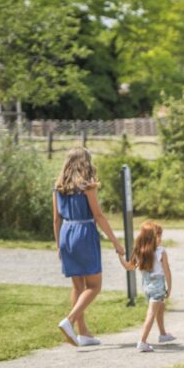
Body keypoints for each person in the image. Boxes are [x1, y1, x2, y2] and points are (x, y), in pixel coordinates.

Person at [52, 147, 125, 347]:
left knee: (78, 286)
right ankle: (70, 320)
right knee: (94, 286)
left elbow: (56, 219)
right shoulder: (87, 186)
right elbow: (99, 216)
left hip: (66, 233)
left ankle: (83, 333)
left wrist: (59, 244)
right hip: (84, 233)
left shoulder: (58, 186)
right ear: (85, 163)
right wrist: (116, 243)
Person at [118, 220, 175, 352]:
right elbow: (167, 271)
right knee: (151, 313)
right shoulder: (161, 251)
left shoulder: (139, 252)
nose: (161, 239)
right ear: (152, 238)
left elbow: (129, 267)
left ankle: (163, 334)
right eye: (159, 236)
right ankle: (142, 341)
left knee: (160, 306)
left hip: (147, 286)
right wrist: (170, 288)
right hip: (158, 286)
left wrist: (120, 257)